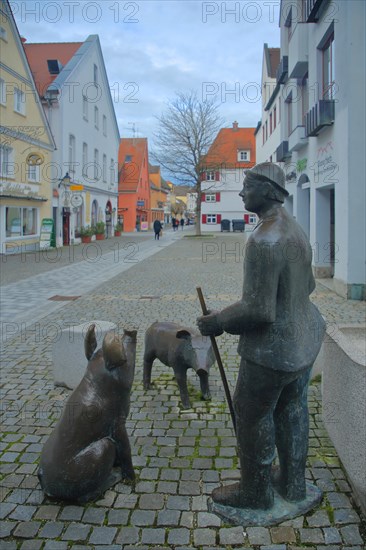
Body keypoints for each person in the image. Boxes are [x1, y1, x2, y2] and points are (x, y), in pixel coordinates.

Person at [197, 162, 325, 510]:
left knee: (252, 412)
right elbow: (308, 285)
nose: (241, 192)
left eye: (248, 186)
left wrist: (219, 321)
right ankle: (294, 484)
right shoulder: (295, 229)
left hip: (273, 350)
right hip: (305, 339)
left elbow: (258, 310)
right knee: (293, 407)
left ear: (268, 190)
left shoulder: (264, 239)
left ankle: (255, 492)